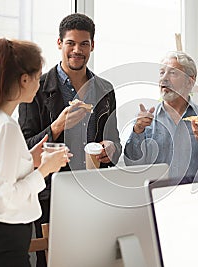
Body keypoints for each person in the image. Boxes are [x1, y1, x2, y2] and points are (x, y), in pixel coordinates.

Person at [18, 13, 121, 266]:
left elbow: (114, 140)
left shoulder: (106, 89)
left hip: (95, 191)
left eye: (84, 44)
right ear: (59, 44)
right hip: (51, 195)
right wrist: (57, 126)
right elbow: (24, 149)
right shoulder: (36, 88)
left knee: (96, 259)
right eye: (71, 43)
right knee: (52, 261)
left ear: (92, 46)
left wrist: (112, 148)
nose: (77, 50)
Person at [0, 38, 71, 267]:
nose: (39, 85)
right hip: (2, 250)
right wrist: (43, 171)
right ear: (24, 79)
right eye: (37, 77)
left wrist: (29, 159)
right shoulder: (5, 127)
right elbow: (3, 199)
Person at [124, 51, 198, 179]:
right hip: (158, 196)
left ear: (190, 81)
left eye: (172, 73)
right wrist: (137, 131)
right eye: (162, 72)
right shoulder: (145, 121)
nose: (164, 78)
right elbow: (131, 165)